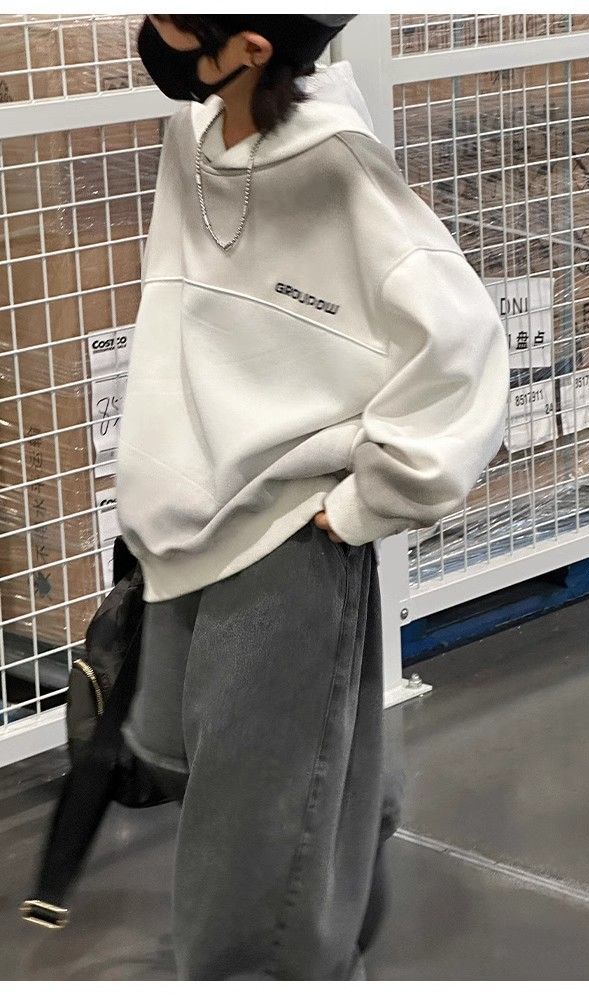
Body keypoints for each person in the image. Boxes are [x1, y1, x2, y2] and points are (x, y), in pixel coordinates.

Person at [117, 13, 509, 981]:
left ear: (250, 51)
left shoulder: (341, 170)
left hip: (288, 531)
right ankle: (337, 899)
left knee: (256, 854)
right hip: (184, 516)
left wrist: (369, 500)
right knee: (229, 764)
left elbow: (461, 345)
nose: (150, 29)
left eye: (172, 20)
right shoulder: (192, 134)